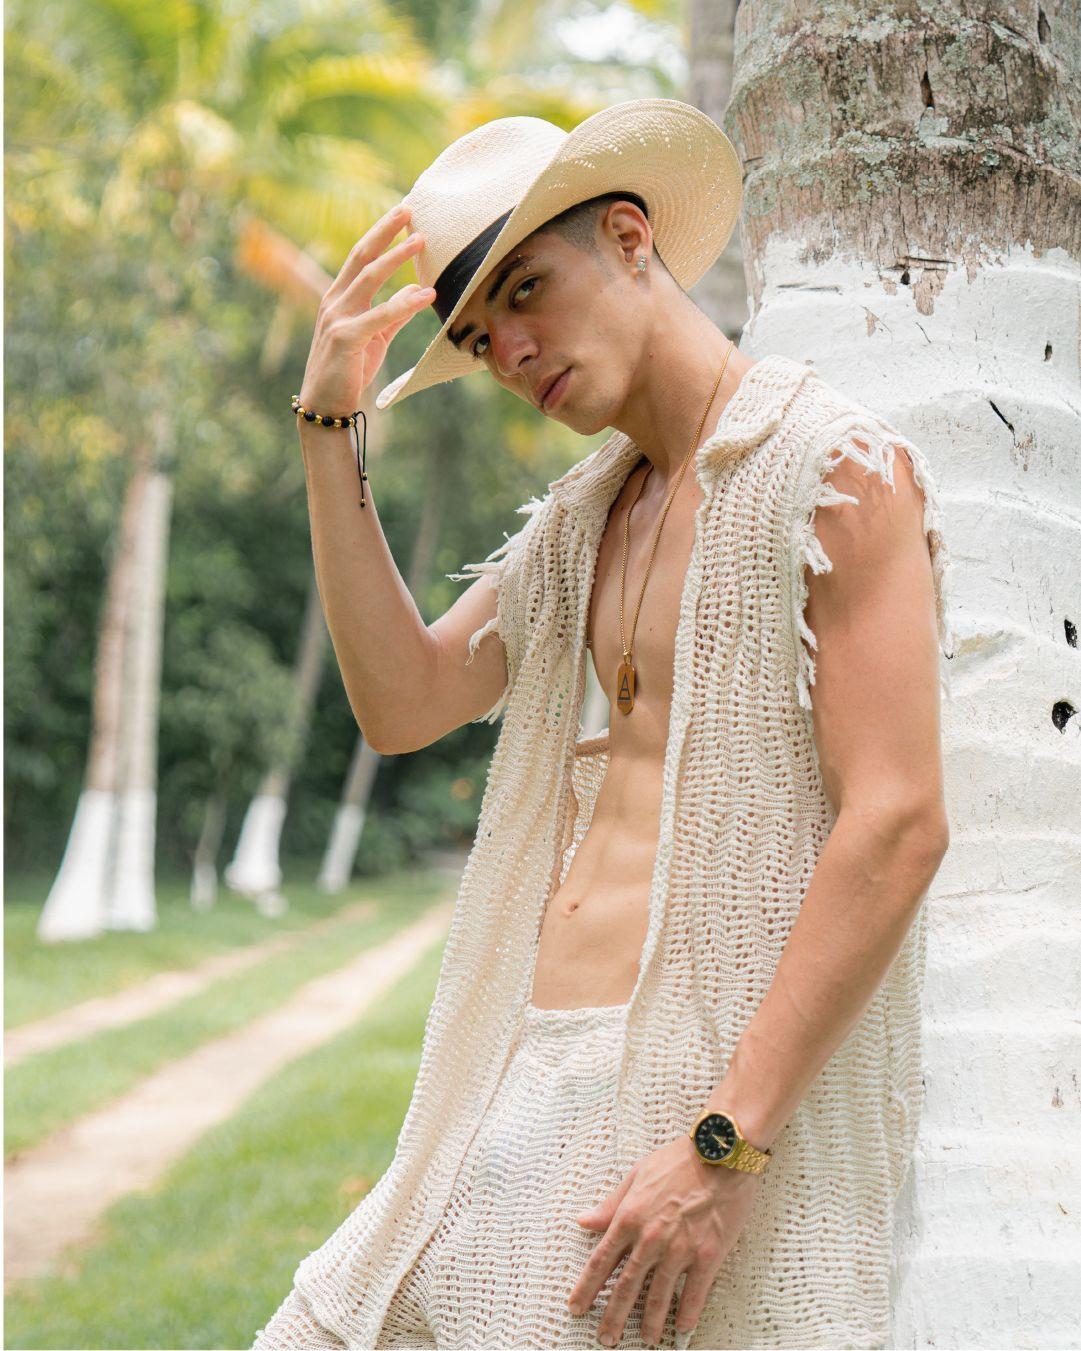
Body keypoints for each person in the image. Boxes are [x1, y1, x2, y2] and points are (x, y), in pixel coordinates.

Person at [254, 99, 953, 1350]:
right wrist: (328, 430)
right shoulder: (584, 519)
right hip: (511, 1071)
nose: (512, 350)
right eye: (480, 336)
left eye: (526, 290)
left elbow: (896, 822)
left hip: (685, 1105)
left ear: (630, 238)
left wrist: (722, 1146)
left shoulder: (831, 471)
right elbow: (403, 701)